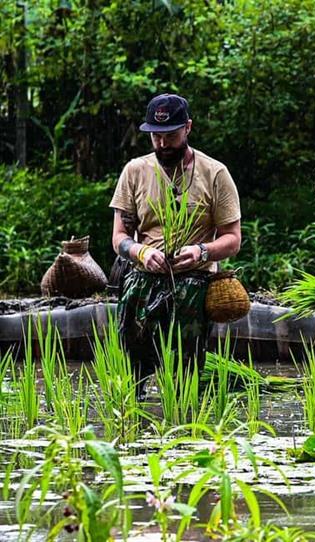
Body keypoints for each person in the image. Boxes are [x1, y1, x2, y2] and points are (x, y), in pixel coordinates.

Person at [110, 93, 242, 393]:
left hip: (193, 286)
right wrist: (140, 252)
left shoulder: (215, 173)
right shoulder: (134, 171)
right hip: (143, 281)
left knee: (186, 378)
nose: (162, 144)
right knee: (133, 376)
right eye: (155, 137)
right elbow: (119, 237)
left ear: (188, 128)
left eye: (170, 136)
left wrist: (200, 251)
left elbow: (233, 240)